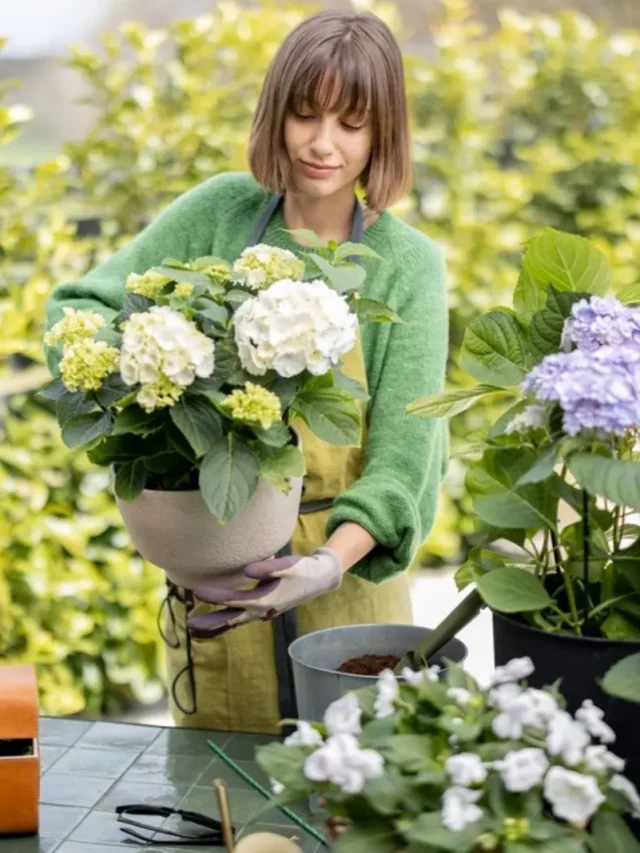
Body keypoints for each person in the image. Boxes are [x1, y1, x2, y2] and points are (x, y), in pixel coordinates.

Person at [44, 8, 449, 735]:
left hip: (347, 607)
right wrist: (136, 372)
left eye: (351, 124)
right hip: (215, 596)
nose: (322, 144)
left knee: (350, 818)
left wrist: (321, 565)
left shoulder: (407, 265)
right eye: (304, 114)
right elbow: (78, 307)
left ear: (382, 133)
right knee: (216, 816)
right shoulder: (221, 214)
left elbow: (404, 461)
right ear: (277, 114)